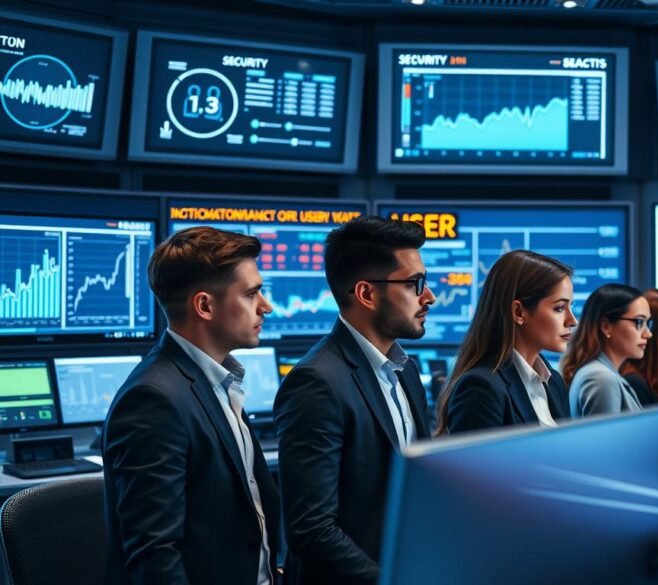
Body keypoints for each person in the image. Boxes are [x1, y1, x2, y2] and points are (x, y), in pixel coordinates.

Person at [104, 227, 279, 585]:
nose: (266, 306)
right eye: (251, 294)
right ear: (204, 305)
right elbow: (155, 557)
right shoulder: (153, 400)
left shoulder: (216, 381)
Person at [273, 216, 435, 585]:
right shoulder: (316, 382)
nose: (429, 296)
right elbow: (312, 531)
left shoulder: (404, 370)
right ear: (366, 293)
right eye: (415, 284)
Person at [434, 250, 576, 434]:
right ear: (518, 312)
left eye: (570, 306)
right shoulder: (481, 387)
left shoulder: (553, 382)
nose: (573, 320)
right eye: (559, 308)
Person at [561, 284, 652, 418]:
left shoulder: (601, 373)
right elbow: (606, 439)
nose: (648, 334)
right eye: (639, 322)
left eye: (648, 323)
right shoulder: (601, 378)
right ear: (606, 326)